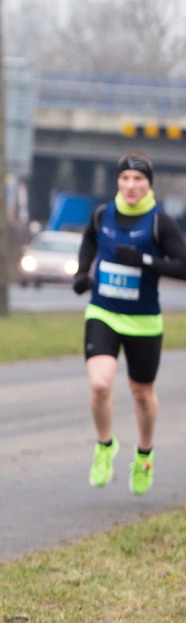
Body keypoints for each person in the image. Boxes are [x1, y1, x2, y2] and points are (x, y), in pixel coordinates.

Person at [74, 153, 186, 494]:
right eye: (125, 179)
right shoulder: (101, 214)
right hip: (103, 312)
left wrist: (146, 260)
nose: (131, 186)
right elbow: (89, 241)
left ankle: (144, 454)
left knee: (142, 393)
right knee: (99, 384)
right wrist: (82, 272)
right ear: (118, 181)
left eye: (138, 180)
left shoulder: (159, 222)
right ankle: (105, 446)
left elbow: (183, 267)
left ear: (148, 183)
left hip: (143, 322)